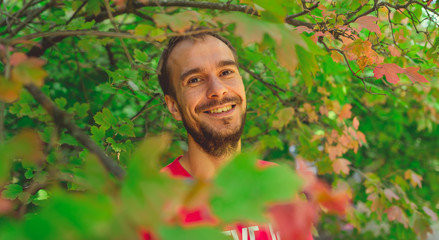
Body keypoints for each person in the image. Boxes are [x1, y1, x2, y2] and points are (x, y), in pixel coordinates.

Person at [155, 30, 313, 240]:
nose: (218, 90)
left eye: (226, 72)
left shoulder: (278, 187)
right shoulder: (152, 201)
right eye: (195, 80)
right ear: (173, 106)